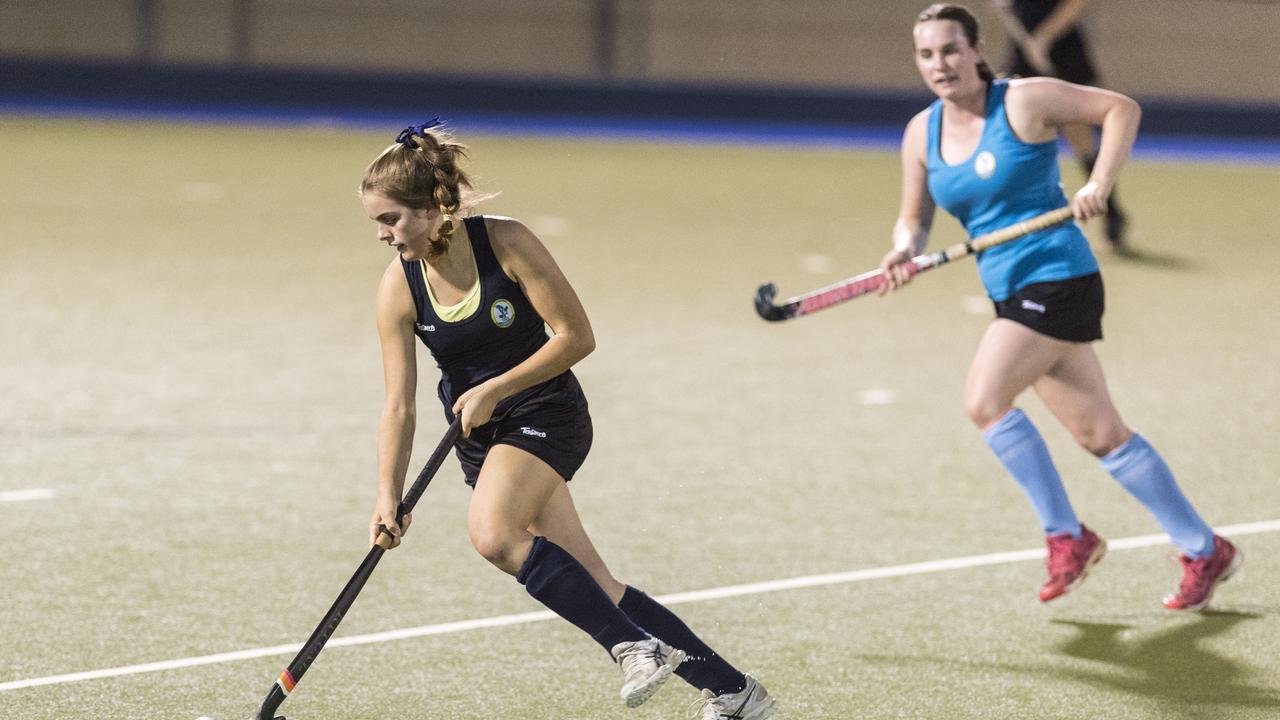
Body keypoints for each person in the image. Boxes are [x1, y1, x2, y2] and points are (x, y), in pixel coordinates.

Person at [359, 120, 776, 718]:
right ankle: (737, 694)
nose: (382, 235)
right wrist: (386, 494)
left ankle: (631, 647)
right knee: (596, 584)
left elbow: (576, 337)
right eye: (376, 222)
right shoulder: (398, 287)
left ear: (432, 208)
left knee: (494, 535)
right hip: (481, 439)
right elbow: (398, 405)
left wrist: (496, 388)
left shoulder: (506, 243)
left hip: (545, 409)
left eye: (390, 219)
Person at [878, 5, 1241, 610]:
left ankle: (1066, 536)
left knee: (985, 400)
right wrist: (902, 251)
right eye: (925, 55)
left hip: (1057, 278)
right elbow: (914, 219)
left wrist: (1098, 181)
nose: (938, 65)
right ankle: (1205, 549)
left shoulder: (1022, 101)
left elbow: (1120, 108)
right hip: (1009, 290)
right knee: (1102, 435)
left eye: (949, 50)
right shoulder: (922, 133)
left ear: (974, 49)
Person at [990, 0, 1131, 250]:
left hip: (1062, 50)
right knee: (1008, 125)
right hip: (1024, 47)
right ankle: (1018, 220)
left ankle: (1112, 213)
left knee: (1080, 139)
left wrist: (1045, 36)